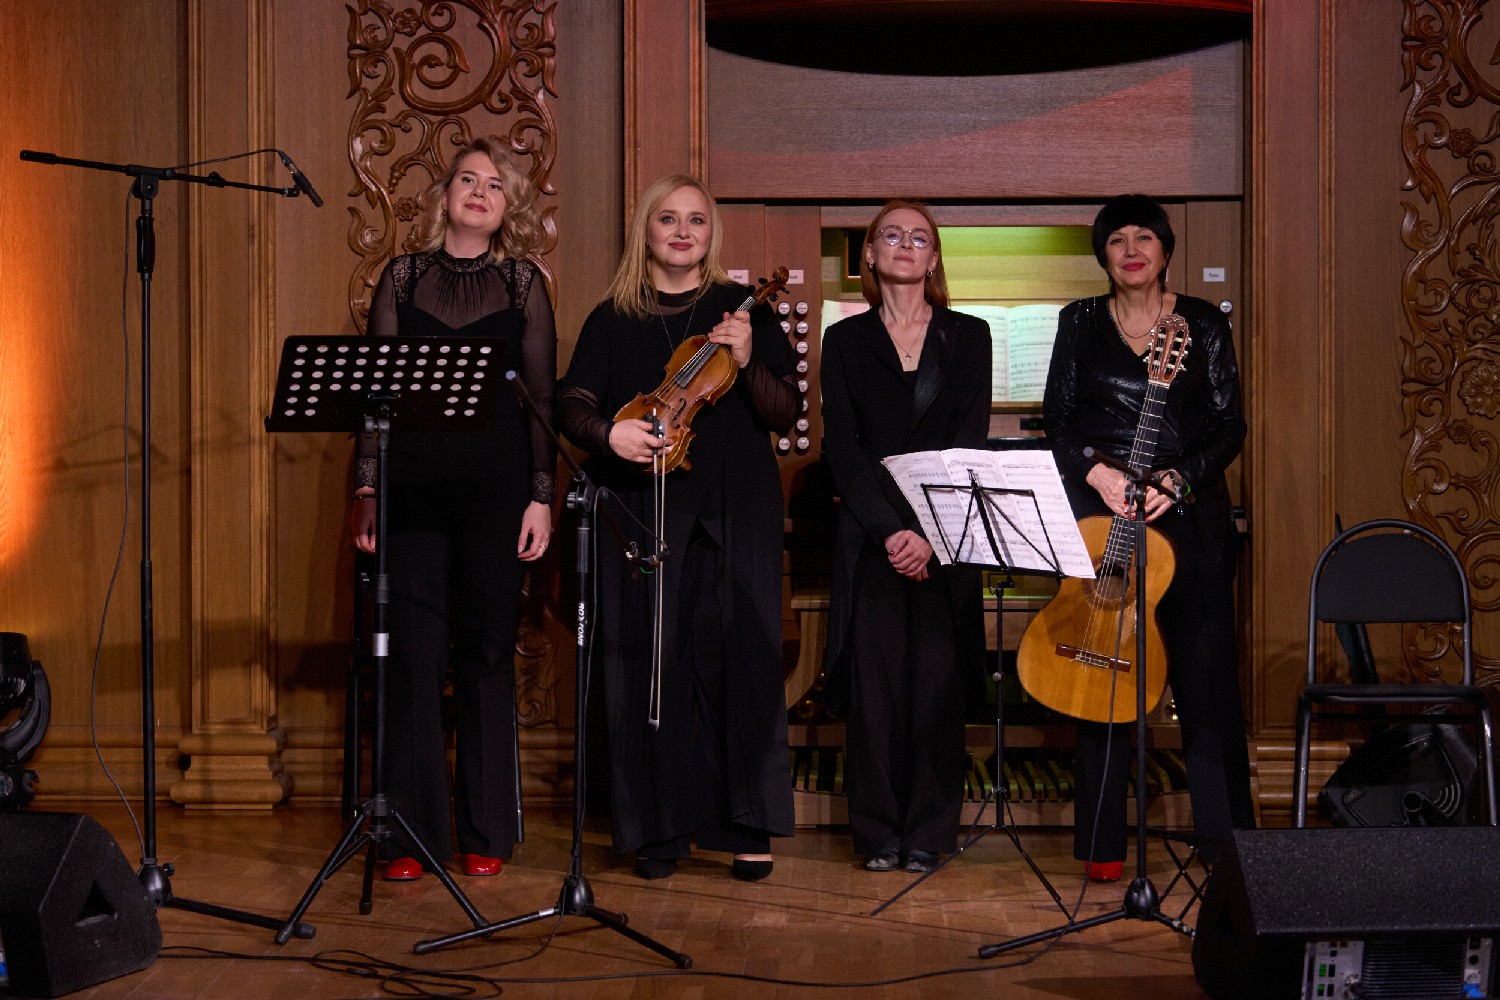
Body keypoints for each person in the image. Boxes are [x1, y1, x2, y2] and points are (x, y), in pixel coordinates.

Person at [555, 174, 796, 881]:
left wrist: (747, 359)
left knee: (740, 660)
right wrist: (611, 435)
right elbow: (571, 405)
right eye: (668, 218)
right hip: (643, 502)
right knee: (646, 663)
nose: (683, 231)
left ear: (710, 234)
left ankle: (746, 824)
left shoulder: (743, 311)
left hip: (736, 502)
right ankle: (657, 827)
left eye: (696, 219)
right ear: (647, 230)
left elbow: (784, 412)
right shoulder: (613, 316)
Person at [350, 137, 556, 881]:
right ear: (444, 197)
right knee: (412, 657)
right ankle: (410, 837)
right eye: (467, 179)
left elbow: (542, 402)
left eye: (494, 185)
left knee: (487, 654)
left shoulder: (526, 285)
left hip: (497, 493)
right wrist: (366, 489)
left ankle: (486, 831)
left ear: (508, 207)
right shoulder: (400, 278)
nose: (478, 191)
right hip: (411, 489)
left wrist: (541, 499)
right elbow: (374, 399)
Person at [1042, 193, 1254, 881]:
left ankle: (1228, 849)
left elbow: (1229, 425)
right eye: (1116, 239)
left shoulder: (1202, 323)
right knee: (1101, 674)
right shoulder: (1079, 322)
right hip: (1102, 519)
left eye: (1144, 237)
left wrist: (1177, 479)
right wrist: (1098, 473)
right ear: (1102, 255)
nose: (1131, 249)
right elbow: (1058, 420)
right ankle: (1103, 849)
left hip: (1187, 520)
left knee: (1205, 681)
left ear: (1165, 250)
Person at [820, 201, 990, 873]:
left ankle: (929, 831)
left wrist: (925, 534)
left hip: (946, 535)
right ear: (869, 254)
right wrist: (891, 531)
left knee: (937, 689)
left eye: (919, 238)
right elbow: (843, 447)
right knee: (876, 693)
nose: (904, 245)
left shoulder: (968, 336)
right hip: (871, 538)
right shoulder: (844, 339)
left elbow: (968, 440)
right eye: (890, 235)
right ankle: (877, 833)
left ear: (934, 258)